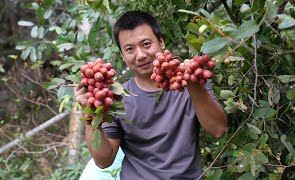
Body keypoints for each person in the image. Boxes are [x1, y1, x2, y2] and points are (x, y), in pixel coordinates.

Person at [75, 10, 228, 180]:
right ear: (123, 56)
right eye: (130, 49)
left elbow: (218, 130)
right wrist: (91, 112)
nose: (140, 55)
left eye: (146, 44)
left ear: (161, 42)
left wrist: (193, 85)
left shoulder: (190, 82)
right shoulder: (115, 99)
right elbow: (104, 160)